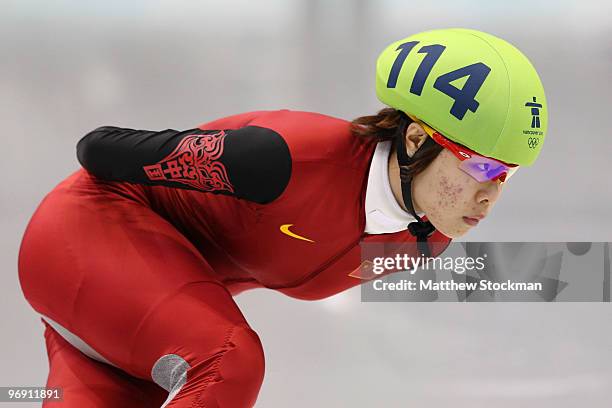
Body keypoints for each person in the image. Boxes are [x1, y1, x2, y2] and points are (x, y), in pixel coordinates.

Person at [17, 28, 547, 407]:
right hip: (84, 234)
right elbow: (99, 149)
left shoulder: (428, 237)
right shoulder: (283, 162)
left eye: (508, 175)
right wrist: (205, 157)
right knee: (229, 360)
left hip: (126, 321)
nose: (491, 195)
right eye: (480, 165)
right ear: (414, 139)